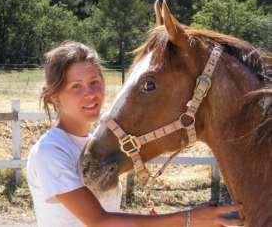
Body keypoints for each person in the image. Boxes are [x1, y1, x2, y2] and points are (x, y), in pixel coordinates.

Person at [27, 41, 244, 227]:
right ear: (54, 96)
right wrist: (187, 219)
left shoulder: (95, 146)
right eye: (76, 86)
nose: (91, 94)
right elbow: (100, 222)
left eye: (95, 83)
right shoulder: (50, 151)